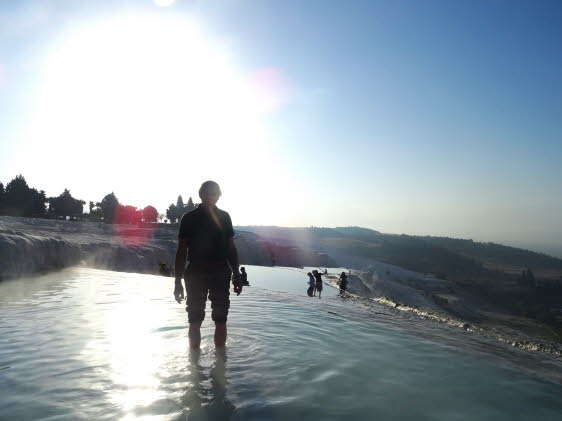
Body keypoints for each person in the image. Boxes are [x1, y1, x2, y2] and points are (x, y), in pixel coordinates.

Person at [173, 180, 243, 351]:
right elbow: (181, 250)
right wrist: (177, 282)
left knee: (220, 319)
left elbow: (230, 248)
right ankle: (194, 367)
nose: (209, 197)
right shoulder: (189, 218)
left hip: (220, 272)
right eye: (206, 193)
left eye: (213, 193)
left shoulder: (225, 217)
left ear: (219, 196)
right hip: (195, 273)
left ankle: (220, 364)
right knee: (195, 320)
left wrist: (237, 274)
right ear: (200, 194)